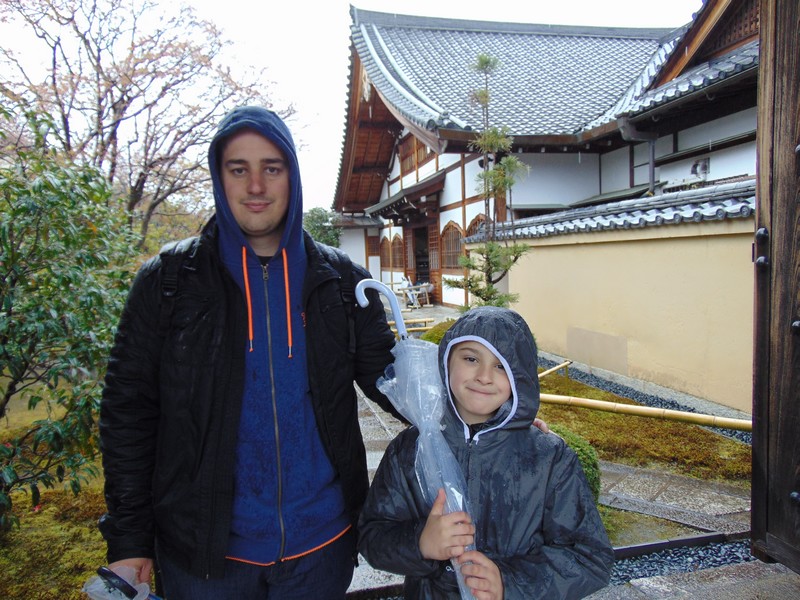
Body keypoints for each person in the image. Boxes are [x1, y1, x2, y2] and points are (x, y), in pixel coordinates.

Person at [98, 106, 399, 599]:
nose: (256, 185)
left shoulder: (340, 281)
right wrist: (129, 539)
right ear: (220, 178)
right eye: (239, 169)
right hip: (203, 558)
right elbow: (128, 411)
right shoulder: (169, 282)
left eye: (271, 168)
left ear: (292, 176)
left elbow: (392, 380)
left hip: (322, 549)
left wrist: (486, 406)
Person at [358, 306, 614, 599]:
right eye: (470, 359)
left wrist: (509, 582)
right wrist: (420, 543)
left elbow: (589, 558)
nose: (484, 376)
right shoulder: (411, 449)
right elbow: (372, 536)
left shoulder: (549, 458)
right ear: (446, 361)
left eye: (501, 366)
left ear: (520, 376)